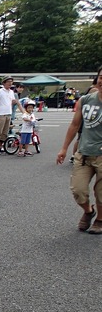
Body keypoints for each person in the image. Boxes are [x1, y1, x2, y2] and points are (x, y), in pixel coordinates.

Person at [56, 65, 102, 235]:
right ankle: (89, 211)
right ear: (97, 79)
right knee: (78, 190)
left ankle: (99, 220)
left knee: (101, 194)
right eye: (101, 77)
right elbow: (75, 125)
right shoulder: (86, 100)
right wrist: (64, 148)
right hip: (84, 152)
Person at [0, 76, 24, 154]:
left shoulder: (11, 92)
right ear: (4, 83)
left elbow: (12, 101)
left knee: (5, 133)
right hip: (0, 114)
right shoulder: (0, 91)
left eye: (11, 82)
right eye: (8, 81)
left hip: (8, 114)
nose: (10, 83)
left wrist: (17, 103)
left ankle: (1, 146)